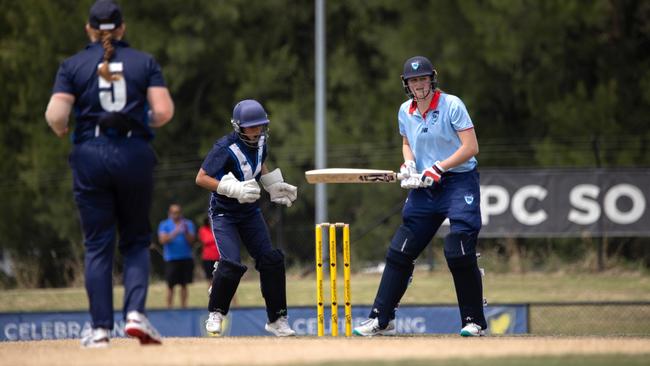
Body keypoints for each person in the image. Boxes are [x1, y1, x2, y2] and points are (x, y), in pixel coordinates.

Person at [44, 0, 173, 347]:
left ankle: (100, 329)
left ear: (89, 29)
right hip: (133, 153)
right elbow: (162, 111)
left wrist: (66, 130)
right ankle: (134, 315)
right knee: (134, 239)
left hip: (90, 155)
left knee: (98, 244)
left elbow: (56, 116)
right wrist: (135, 121)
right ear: (122, 28)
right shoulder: (143, 62)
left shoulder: (72, 65)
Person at [353, 56, 487, 337]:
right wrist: (409, 164)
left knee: (458, 246)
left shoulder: (452, 105)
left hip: (459, 180)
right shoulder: (405, 110)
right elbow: (407, 143)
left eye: (423, 79)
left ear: (432, 79)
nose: (419, 85)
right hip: (425, 186)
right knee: (400, 250)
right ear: (407, 85)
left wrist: (439, 167)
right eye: (413, 81)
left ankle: (474, 320)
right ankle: (382, 319)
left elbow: (471, 147)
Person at [195, 99, 298, 337]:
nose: (256, 131)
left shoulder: (262, 142)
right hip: (224, 213)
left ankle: (277, 319)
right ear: (238, 127)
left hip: (250, 212)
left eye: (260, 126)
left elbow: (260, 165)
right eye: (251, 127)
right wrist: (232, 189)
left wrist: (273, 184)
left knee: (271, 260)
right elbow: (201, 178)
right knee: (230, 264)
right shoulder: (224, 148)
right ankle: (216, 312)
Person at [158, 204, 197, 308]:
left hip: (186, 258)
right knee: (170, 286)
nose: (177, 215)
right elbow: (162, 240)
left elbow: (192, 241)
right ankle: (169, 308)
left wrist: (185, 232)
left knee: (184, 285)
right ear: (169, 214)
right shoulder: (164, 224)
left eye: (178, 212)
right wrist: (175, 232)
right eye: (174, 213)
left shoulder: (188, 224)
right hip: (171, 259)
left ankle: (184, 307)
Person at [198, 217, 220, 283]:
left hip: (220, 257)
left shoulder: (220, 228)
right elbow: (205, 240)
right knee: (210, 278)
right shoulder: (203, 230)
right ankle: (212, 293)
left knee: (223, 277)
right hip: (208, 258)